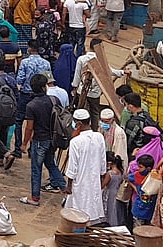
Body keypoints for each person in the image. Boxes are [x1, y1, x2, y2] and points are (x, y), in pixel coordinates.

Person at [20, 73, 66, 206]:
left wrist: (24, 144)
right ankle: (66, 190)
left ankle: (35, 197)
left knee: (36, 169)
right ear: (44, 87)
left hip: (39, 140)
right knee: (51, 165)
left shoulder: (31, 105)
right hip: (53, 139)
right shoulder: (54, 100)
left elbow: (29, 128)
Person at [65, 108, 109, 225]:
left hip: (79, 181)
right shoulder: (98, 136)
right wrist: (101, 176)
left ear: (78, 124)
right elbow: (102, 160)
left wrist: (69, 185)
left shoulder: (76, 141)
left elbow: (72, 166)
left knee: (78, 209)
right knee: (92, 207)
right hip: (94, 180)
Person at [130, 154, 158, 227]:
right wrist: (135, 188)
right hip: (139, 208)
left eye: (140, 167)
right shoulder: (137, 175)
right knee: (138, 229)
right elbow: (127, 178)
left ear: (148, 168)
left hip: (150, 209)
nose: (138, 168)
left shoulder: (154, 176)